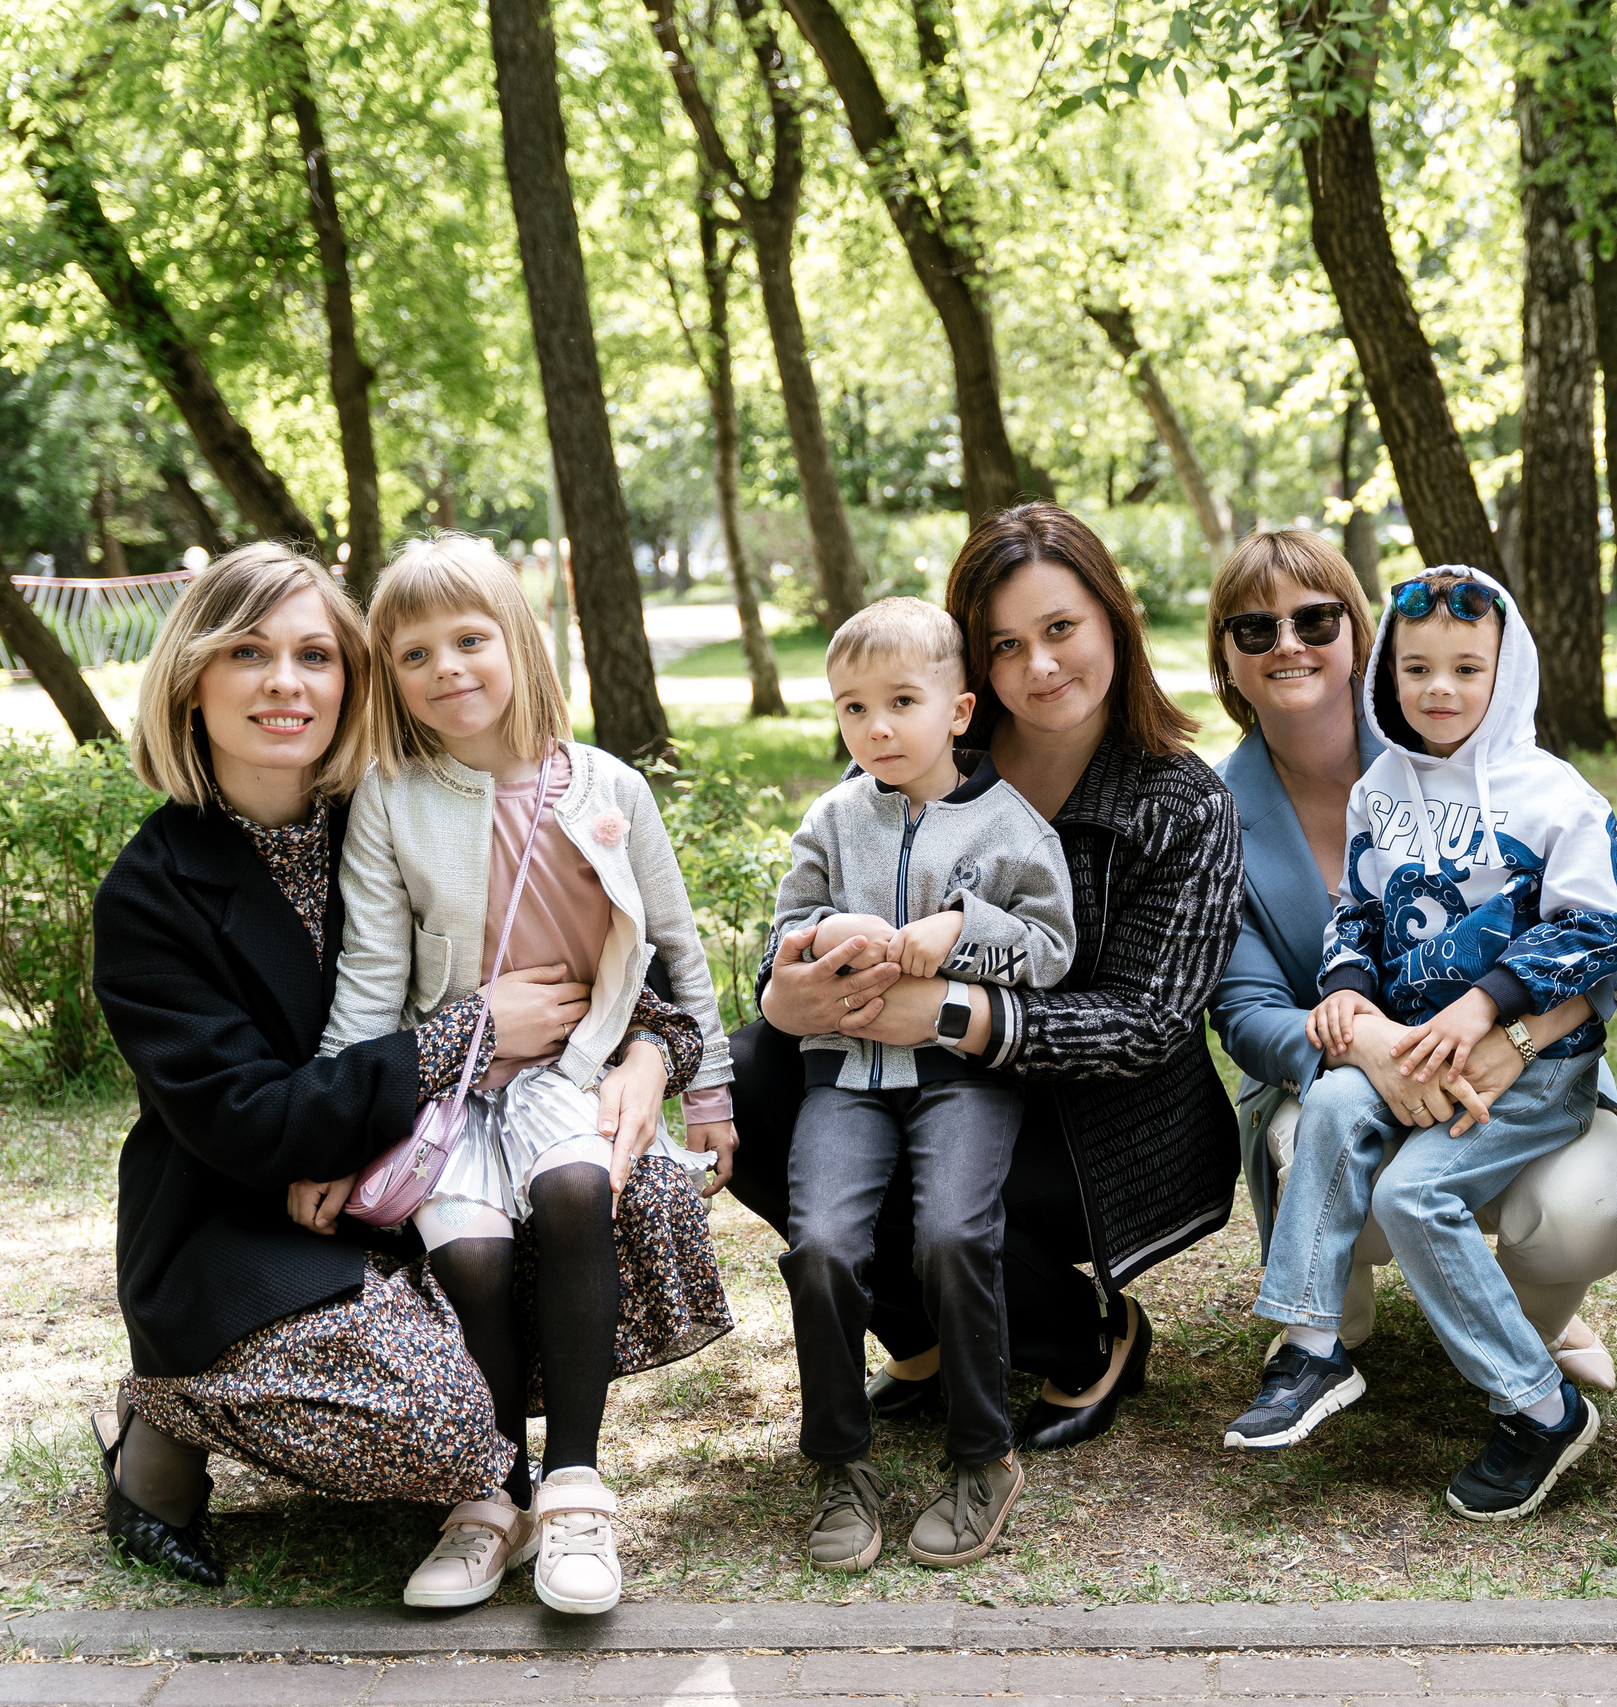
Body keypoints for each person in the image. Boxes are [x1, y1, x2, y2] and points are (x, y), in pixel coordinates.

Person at [91, 542, 624, 1589]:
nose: (286, 683)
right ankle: (163, 1408)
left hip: (404, 1176)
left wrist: (652, 1054)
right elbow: (248, 1122)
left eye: (316, 656)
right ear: (194, 681)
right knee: (446, 1428)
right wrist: (460, 1032)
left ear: (353, 680)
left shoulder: (394, 815)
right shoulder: (151, 893)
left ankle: (539, 1472)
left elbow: (576, 951)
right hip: (237, 1217)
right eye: (248, 652)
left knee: (609, 1180)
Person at [726, 502, 1243, 1468]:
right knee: (756, 1077)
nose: (1039, 666)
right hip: (914, 1060)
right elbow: (816, 906)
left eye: (1061, 629)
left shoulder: (1181, 801)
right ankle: (916, 1334)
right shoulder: (913, 746)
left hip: (1100, 1114)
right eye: (1005, 645)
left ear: (1113, 624)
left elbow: (1149, 1022)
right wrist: (783, 992)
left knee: (952, 1173)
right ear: (971, 672)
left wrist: (958, 1010)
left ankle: (1087, 1338)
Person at [318, 533, 734, 1615]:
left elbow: (677, 950)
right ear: (391, 678)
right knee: (475, 1256)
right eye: (414, 655)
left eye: (470, 639)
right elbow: (370, 976)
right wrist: (332, 1125)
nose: (447, 668)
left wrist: (712, 1090)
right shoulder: (390, 798)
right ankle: (489, 1495)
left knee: (575, 1189)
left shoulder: (605, 784)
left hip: (574, 1060)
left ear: (519, 641)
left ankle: (576, 1489)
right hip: (449, 1082)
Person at [1225, 565, 1617, 1523]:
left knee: (1415, 1194)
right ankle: (1313, 1345)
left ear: (1510, 673)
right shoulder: (1384, 787)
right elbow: (1359, 911)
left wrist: (1490, 1007)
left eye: (1466, 667)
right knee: (1329, 1098)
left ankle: (1537, 1405)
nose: (1440, 688)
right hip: (1407, 1045)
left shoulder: (1555, 796)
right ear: (1388, 675)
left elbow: (1599, 927)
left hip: (1528, 1068)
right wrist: (1344, 992)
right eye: (1417, 668)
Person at [772, 598, 1076, 1572]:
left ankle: (982, 1454)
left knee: (950, 1234)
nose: (877, 728)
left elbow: (1052, 948)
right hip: (846, 1077)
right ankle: (839, 1463)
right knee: (820, 1244)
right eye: (853, 708)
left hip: (959, 1078)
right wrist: (820, 945)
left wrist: (960, 930)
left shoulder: (1011, 828)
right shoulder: (830, 818)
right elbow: (781, 941)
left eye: (902, 701)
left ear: (958, 710)